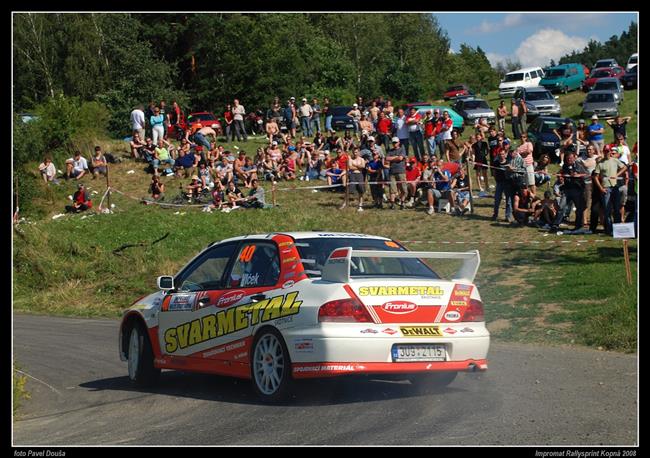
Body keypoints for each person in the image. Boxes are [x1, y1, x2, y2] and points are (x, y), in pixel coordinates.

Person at [551, 151, 588, 232]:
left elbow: (586, 175)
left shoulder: (579, 166)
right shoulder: (564, 166)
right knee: (561, 207)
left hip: (577, 190)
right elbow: (561, 174)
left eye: (571, 158)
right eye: (568, 159)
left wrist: (577, 175)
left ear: (574, 158)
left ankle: (578, 225)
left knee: (579, 209)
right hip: (567, 190)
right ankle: (555, 225)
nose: (569, 160)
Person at [491, 148, 514, 222]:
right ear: (498, 155)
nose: (502, 155)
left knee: (508, 200)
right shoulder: (496, 163)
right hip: (499, 183)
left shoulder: (509, 162)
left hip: (507, 183)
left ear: (505, 154)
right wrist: (496, 180)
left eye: (503, 154)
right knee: (497, 199)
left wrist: (510, 169)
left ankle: (508, 216)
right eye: (500, 154)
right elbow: (494, 173)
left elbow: (512, 173)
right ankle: (495, 214)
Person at [386, 137, 408, 209]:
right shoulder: (390, 150)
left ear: (399, 142)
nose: (394, 144)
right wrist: (396, 157)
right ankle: (392, 204)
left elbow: (400, 158)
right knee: (392, 189)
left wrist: (393, 158)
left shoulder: (402, 149)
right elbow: (387, 158)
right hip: (392, 172)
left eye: (395, 142)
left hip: (401, 171)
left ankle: (402, 203)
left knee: (403, 188)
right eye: (393, 142)